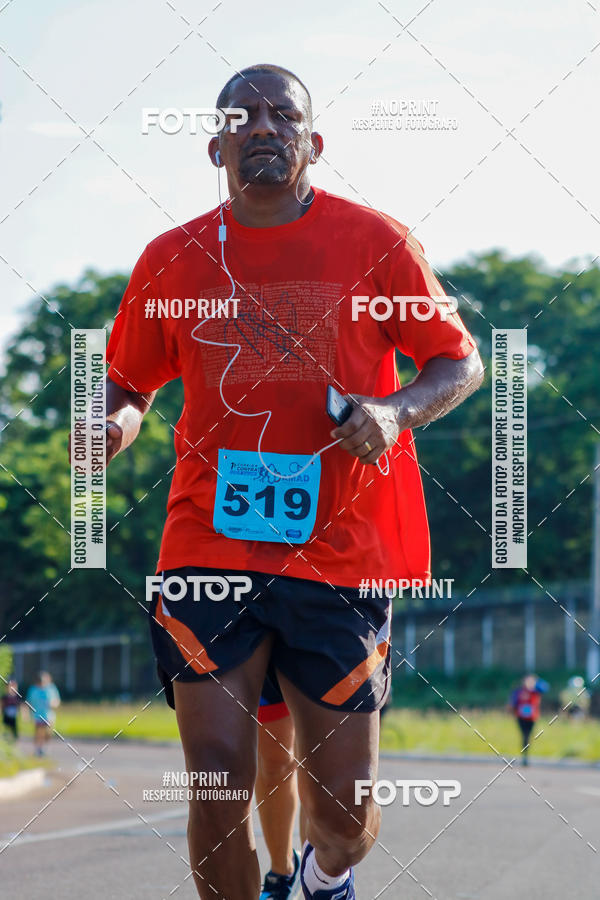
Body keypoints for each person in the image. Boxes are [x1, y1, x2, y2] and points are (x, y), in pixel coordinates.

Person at [93, 63, 482, 899]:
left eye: (283, 115)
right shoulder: (172, 259)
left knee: (344, 816)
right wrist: (115, 425)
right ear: (215, 145)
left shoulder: (377, 242)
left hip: (338, 550)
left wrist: (394, 412)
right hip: (209, 539)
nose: (263, 126)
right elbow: (128, 380)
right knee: (218, 777)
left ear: (313, 141)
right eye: (244, 115)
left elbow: (458, 362)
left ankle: (319, 869)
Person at [257, 671, 304, 899]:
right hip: (257, 641)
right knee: (275, 763)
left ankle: (320, 879)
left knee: (319, 766)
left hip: (323, 639)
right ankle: (283, 871)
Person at [509, 674, 549, 765]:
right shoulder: (519, 691)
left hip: (532, 717)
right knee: (524, 735)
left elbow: (545, 687)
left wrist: (537, 680)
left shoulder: (536, 691)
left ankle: (526, 754)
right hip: (521, 717)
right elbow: (513, 702)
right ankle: (525, 756)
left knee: (529, 735)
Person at [26, 671, 61, 756]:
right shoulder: (33, 689)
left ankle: (45, 747)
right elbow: (28, 702)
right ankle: (38, 749)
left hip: (49, 715)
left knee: (48, 733)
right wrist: (26, 713)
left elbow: (57, 701)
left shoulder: (51, 688)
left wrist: (53, 704)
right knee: (38, 732)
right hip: (37, 715)